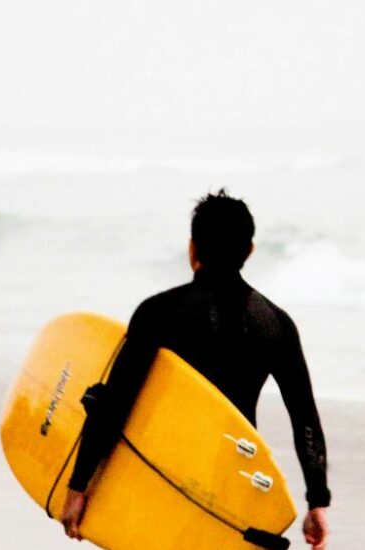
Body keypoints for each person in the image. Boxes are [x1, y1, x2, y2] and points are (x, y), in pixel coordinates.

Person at [60, 189, 331, 549]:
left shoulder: (157, 313)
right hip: (230, 486)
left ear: (192, 249)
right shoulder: (276, 325)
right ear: (249, 251)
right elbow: (305, 418)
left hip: (160, 476)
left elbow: (115, 402)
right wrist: (317, 501)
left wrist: (79, 485)